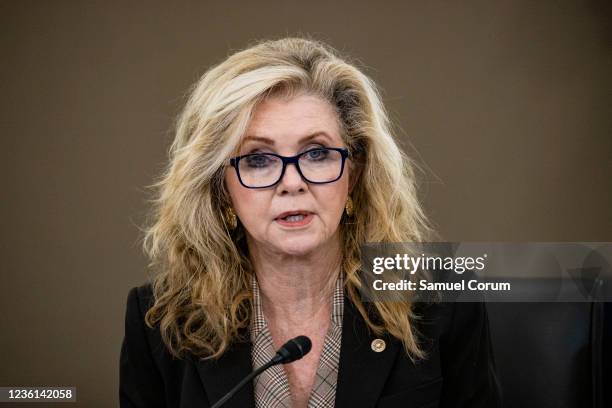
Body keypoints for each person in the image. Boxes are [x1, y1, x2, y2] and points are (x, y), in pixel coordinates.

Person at [119, 37, 502, 408]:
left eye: (317, 153)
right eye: (258, 159)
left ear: (355, 173)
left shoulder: (442, 300)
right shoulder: (161, 321)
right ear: (222, 189)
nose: (292, 182)